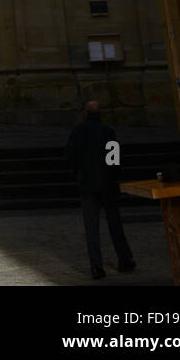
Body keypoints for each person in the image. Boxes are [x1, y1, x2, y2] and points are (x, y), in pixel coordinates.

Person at [65, 100, 136, 279]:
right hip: (107, 184)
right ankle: (124, 258)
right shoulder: (108, 131)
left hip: (87, 184)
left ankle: (96, 266)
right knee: (114, 223)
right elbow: (115, 158)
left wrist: (79, 174)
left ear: (86, 114)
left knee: (91, 227)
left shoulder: (78, 131)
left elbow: (70, 157)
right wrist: (113, 177)